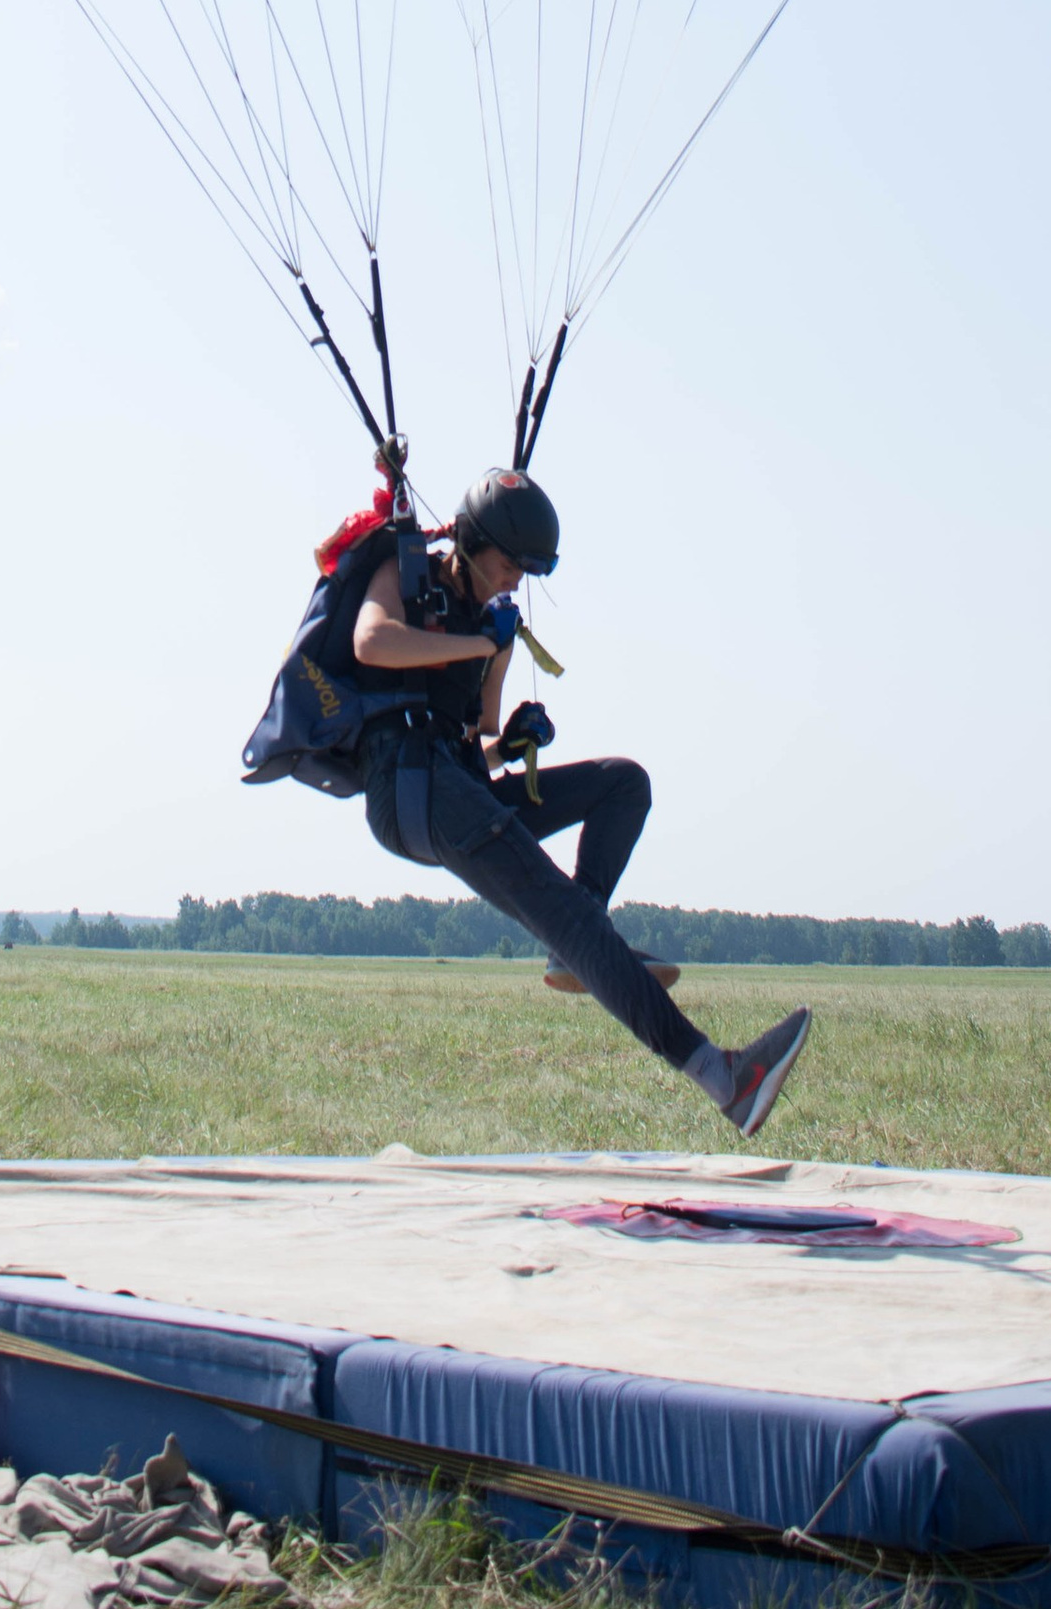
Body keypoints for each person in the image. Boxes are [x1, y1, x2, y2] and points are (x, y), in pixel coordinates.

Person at [345, 466, 809, 1138]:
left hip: (454, 782)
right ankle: (725, 1078)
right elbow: (371, 641)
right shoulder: (403, 571)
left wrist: (514, 739)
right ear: (473, 543)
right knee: (562, 914)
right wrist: (483, 644)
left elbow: (478, 739)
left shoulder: (487, 620)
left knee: (624, 783)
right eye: (511, 563)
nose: (517, 580)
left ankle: (580, 940)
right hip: (406, 790)